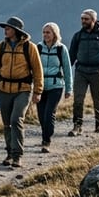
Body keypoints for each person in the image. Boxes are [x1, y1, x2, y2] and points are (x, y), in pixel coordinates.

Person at [0, 17, 43, 167]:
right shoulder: (1, 47)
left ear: (16, 31)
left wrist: (37, 91)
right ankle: (9, 153)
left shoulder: (30, 47)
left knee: (16, 120)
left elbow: (37, 71)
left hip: (23, 90)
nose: (5, 30)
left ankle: (17, 155)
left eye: (8, 28)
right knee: (6, 123)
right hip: (4, 89)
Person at [67, 9, 99, 136]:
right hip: (81, 71)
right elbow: (71, 54)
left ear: (93, 20)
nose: (83, 21)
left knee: (97, 99)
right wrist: (66, 71)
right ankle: (77, 125)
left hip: (96, 72)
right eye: (82, 19)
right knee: (78, 99)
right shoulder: (78, 35)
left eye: (86, 19)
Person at [36, 23, 73, 153]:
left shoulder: (61, 49)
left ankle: (46, 141)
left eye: (48, 32)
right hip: (40, 87)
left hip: (56, 86)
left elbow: (67, 70)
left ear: (55, 34)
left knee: (48, 113)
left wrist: (69, 89)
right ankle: (45, 134)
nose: (45, 35)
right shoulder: (38, 48)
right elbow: (33, 68)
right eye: (44, 32)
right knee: (41, 115)